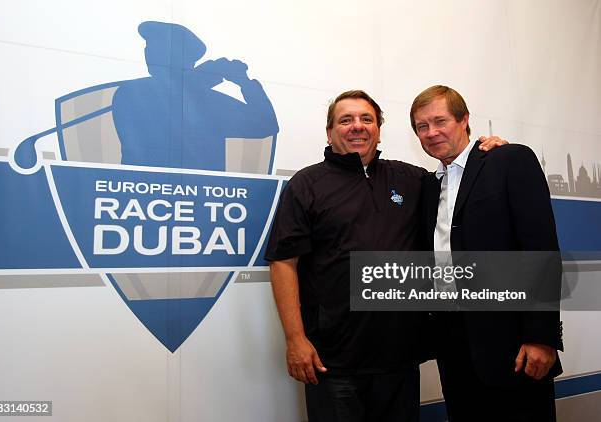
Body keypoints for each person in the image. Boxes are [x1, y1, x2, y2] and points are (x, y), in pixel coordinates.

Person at [264, 90, 505, 422]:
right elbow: (283, 263)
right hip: (332, 360)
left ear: (378, 128)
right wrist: (295, 340)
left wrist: (488, 155)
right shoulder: (306, 185)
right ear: (330, 131)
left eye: (367, 119)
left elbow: (463, 183)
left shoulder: (413, 179)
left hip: (399, 359)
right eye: (345, 119)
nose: (357, 126)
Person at [411, 85, 563, 421]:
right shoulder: (427, 186)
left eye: (440, 121)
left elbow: (540, 248)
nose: (432, 132)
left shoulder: (508, 160)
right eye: (422, 126)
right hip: (452, 344)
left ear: (464, 120)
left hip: (513, 344)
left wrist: (541, 336)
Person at [112, 21, 278, 171]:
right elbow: (167, 110)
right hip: (142, 192)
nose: (148, 53)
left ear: (182, 57)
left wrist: (245, 83)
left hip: (203, 196)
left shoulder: (209, 100)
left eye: (158, 47)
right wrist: (205, 76)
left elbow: (265, 125)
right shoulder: (132, 92)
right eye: (148, 47)